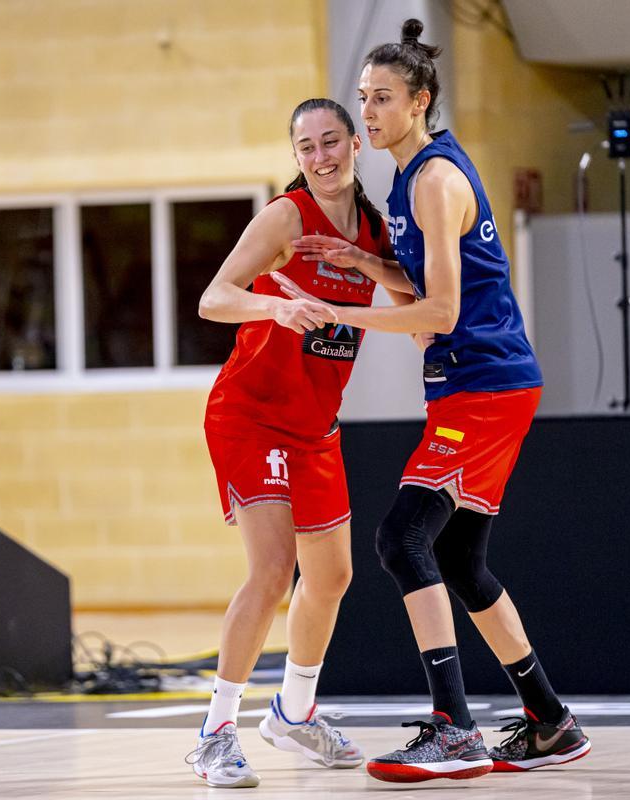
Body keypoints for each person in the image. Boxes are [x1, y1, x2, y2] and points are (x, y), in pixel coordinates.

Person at [278, 18, 591, 784]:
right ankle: (550, 720)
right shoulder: (409, 177)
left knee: (399, 539)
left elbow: (441, 313)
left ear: (419, 101)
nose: (369, 112)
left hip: (484, 383)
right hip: (480, 382)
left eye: (381, 98)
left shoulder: (437, 180)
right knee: (456, 555)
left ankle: (454, 726)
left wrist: (344, 309)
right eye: (364, 98)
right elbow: (421, 288)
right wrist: (362, 260)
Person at [186, 97, 398, 789]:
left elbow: (408, 290)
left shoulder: (372, 229)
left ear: (355, 145)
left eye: (330, 141)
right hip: (250, 413)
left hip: (314, 425)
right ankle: (217, 732)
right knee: (274, 570)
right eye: (306, 147)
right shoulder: (285, 217)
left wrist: (374, 271)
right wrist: (275, 306)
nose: (320, 157)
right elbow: (214, 297)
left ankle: (293, 713)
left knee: (332, 577)